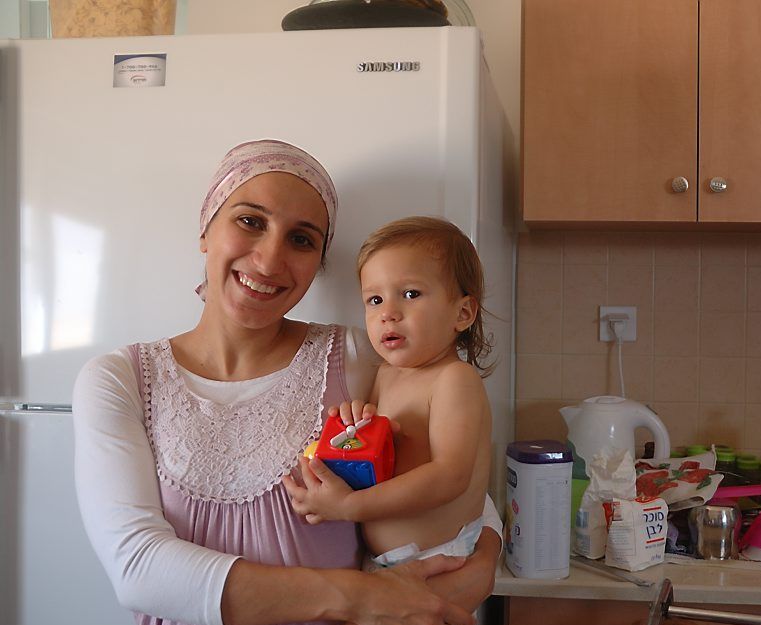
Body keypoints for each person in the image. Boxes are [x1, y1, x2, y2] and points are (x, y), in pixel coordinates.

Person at [72, 140, 501, 625]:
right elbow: (137, 570)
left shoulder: (364, 356)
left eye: (302, 239)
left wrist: (486, 555)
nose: (271, 259)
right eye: (250, 221)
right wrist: (360, 596)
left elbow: (456, 471)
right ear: (205, 230)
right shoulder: (119, 380)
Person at [283, 216, 493, 571]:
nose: (388, 314)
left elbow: (449, 476)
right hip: (385, 562)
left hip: (439, 558)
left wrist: (349, 507)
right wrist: (358, 418)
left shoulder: (454, 380)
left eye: (411, 294)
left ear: (462, 312)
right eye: (375, 299)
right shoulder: (385, 375)